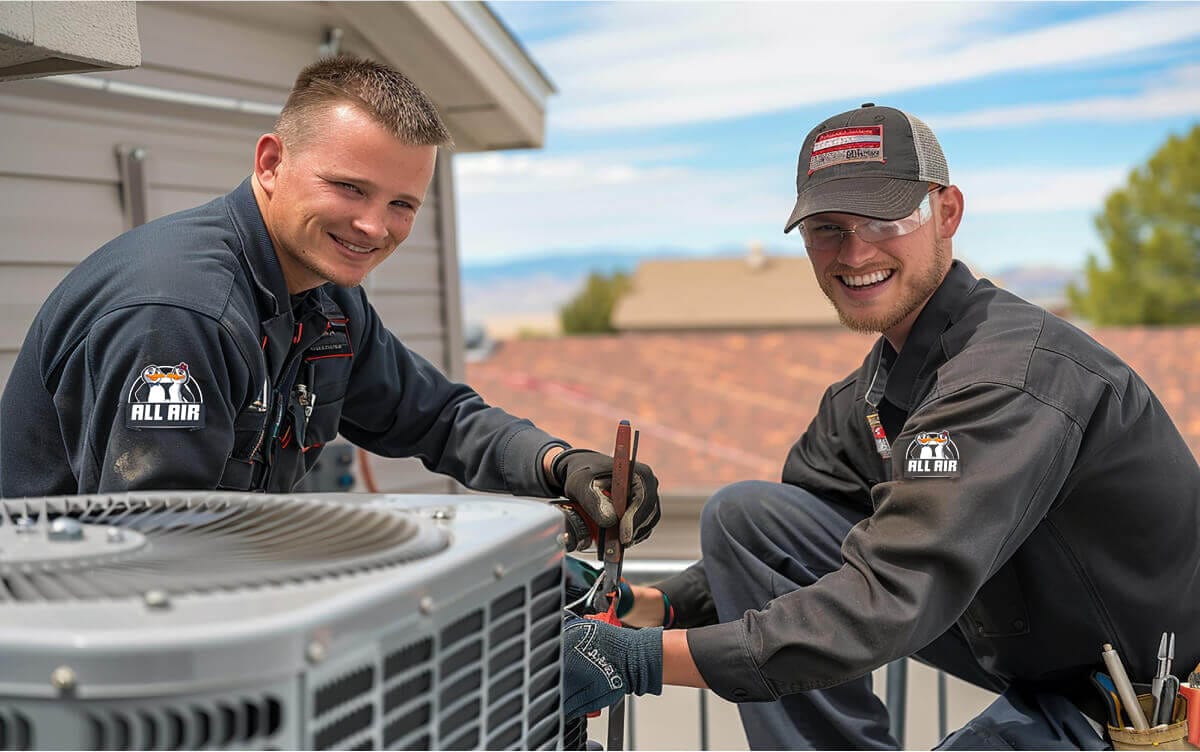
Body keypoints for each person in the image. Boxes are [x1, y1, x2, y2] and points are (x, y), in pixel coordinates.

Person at [561, 103, 1200, 750]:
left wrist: (635, 661)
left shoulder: (1005, 380)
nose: (855, 251)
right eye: (827, 227)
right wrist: (645, 607)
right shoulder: (873, 396)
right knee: (747, 517)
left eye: (885, 217)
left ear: (947, 212)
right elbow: (789, 549)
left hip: (1142, 708)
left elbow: (885, 600)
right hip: (1042, 670)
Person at [0, 55, 660, 552]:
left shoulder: (327, 302)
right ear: (269, 163)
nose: (375, 226)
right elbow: (163, 547)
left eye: (402, 203)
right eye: (350, 188)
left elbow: (438, 420)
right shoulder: (180, 316)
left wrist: (561, 465)